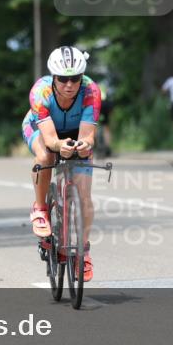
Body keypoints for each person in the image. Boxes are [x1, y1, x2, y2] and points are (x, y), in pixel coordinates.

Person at [22, 45, 101, 282]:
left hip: (75, 132)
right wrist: (60, 147)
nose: (69, 85)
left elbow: (88, 136)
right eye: (63, 79)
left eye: (75, 79)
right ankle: (40, 209)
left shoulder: (91, 92)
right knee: (46, 157)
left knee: (85, 197)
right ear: (53, 77)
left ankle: (83, 253)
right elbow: (50, 139)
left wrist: (84, 146)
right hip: (42, 129)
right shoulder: (40, 92)